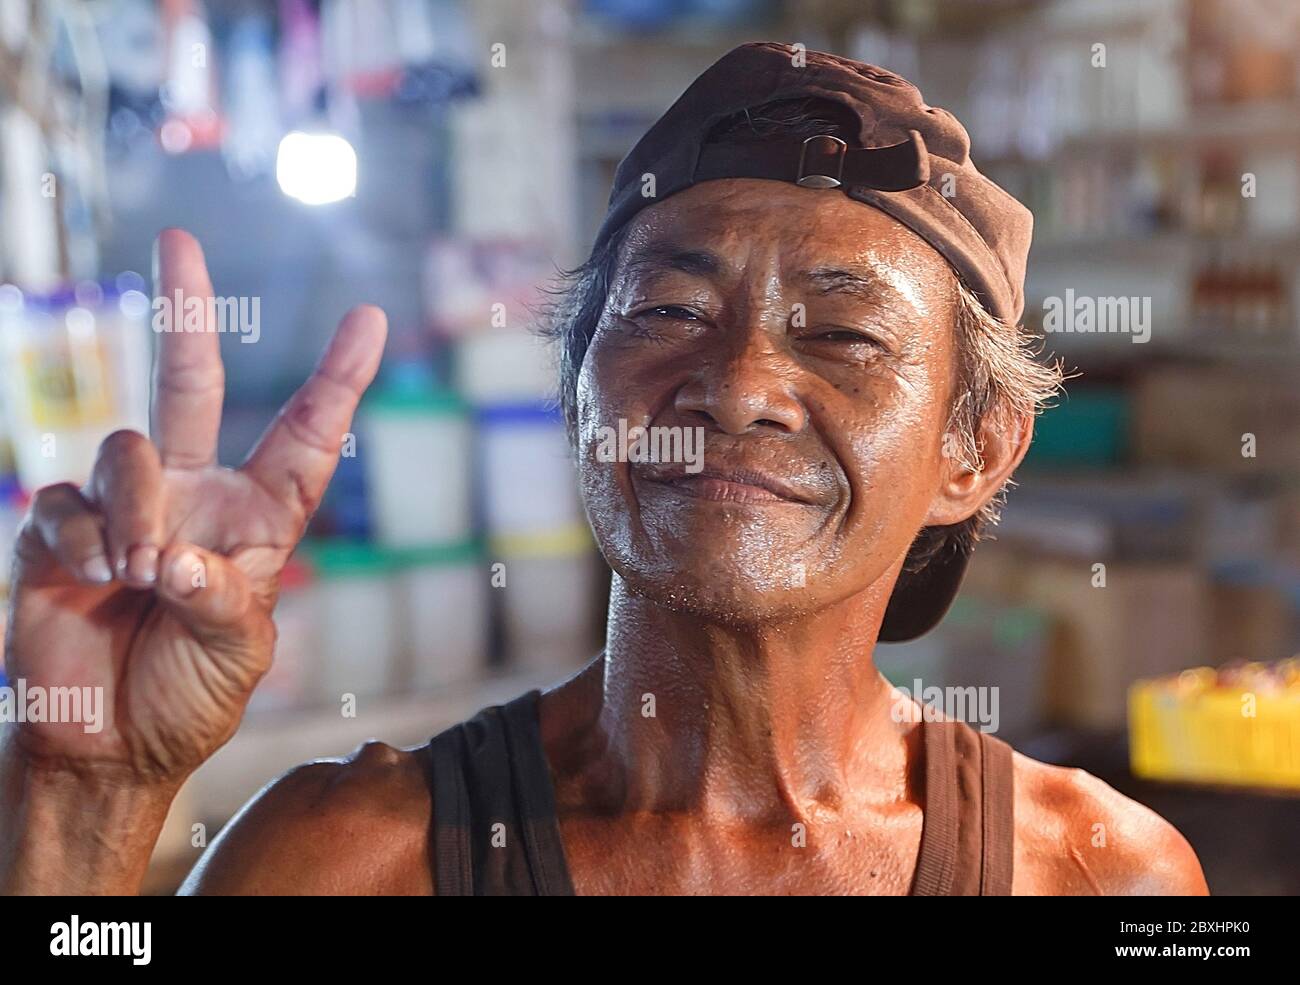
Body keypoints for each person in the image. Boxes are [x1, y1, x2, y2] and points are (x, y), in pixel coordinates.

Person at [0, 43, 1206, 895]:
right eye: (670, 310)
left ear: (973, 450)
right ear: (576, 395)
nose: (735, 385)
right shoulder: (346, 862)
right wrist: (86, 796)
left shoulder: (1101, 877)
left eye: (841, 334)